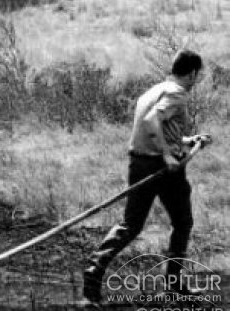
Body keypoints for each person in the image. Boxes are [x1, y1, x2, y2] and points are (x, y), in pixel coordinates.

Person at [81, 50, 212, 306]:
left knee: (130, 225)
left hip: (139, 163)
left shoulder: (154, 91)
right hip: (161, 169)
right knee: (182, 222)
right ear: (193, 73)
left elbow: (157, 128)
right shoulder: (177, 93)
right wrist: (167, 155)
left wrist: (189, 141)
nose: (198, 79)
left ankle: (93, 273)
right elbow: (153, 121)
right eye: (199, 75)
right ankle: (174, 286)